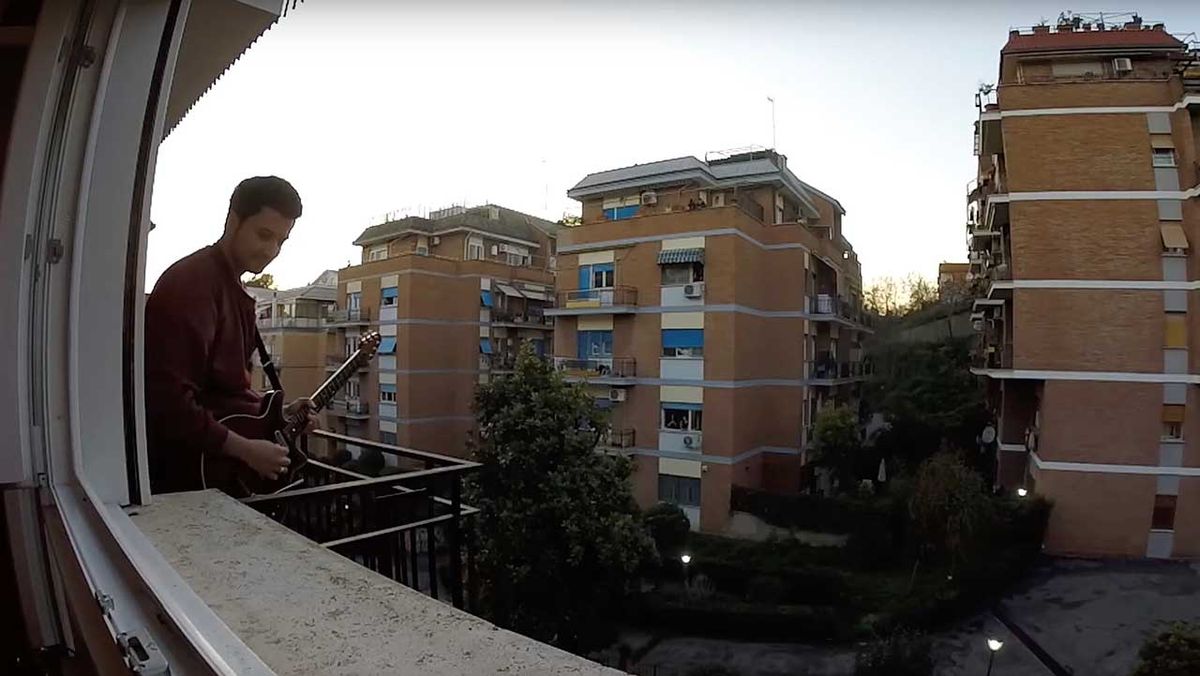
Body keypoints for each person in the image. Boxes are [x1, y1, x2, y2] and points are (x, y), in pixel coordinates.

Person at [145, 176, 318, 494]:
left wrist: (280, 414)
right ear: (232, 221)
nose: (272, 250)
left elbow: (225, 392)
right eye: (264, 235)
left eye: (281, 241)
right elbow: (168, 401)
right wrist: (248, 450)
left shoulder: (232, 287)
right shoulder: (192, 284)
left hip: (214, 479)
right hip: (187, 484)